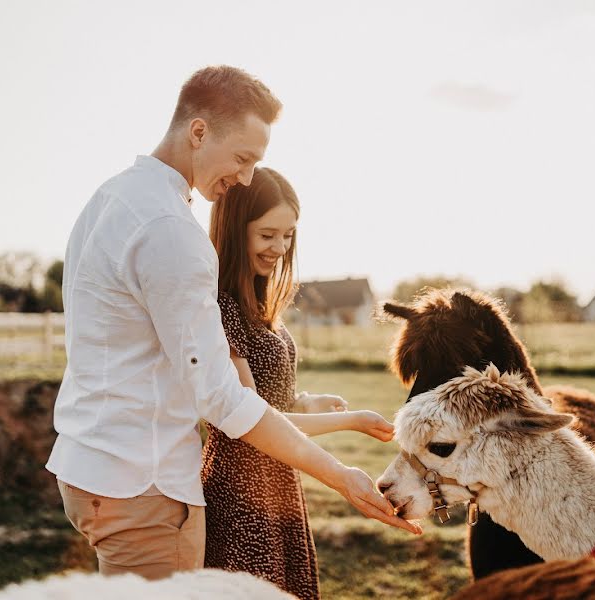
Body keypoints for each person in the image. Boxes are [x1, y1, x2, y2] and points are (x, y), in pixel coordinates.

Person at [45, 66, 420, 581]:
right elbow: (223, 399)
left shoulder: (110, 199)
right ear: (198, 131)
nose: (245, 178)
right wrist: (340, 475)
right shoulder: (171, 231)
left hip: (92, 467)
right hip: (142, 485)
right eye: (242, 158)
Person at [202, 167, 394, 598]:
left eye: (288, 235)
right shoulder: (220, 305)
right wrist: (352, 420)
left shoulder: (258, 298)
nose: (280, 248)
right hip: (241, 491)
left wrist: (306, 402)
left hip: (280, 480)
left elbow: (272, 396)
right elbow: (250, 416)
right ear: (236, 229)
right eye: (267, 234)